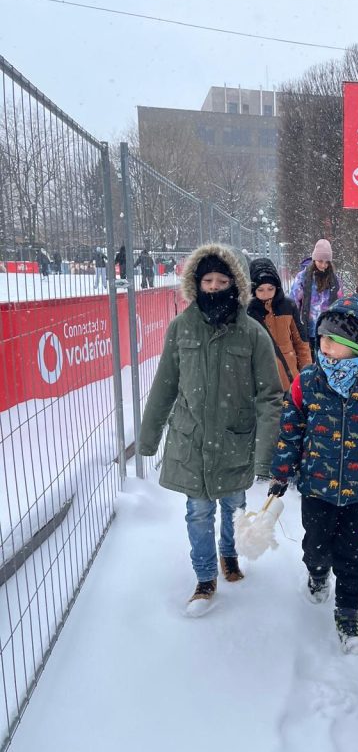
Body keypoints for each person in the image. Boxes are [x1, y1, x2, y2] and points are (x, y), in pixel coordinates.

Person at [138, 243, 283, 616]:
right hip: (193, 443)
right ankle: (204, 578)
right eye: (208, 281)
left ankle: (229, 554)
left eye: (222, 280)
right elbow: (165, 386)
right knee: (198, 512)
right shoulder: (181, 328)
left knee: (234, 505)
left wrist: (265, 454)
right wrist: (148, 438)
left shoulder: (252, 333)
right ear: (196, 283)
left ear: (235, 284)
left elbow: (270, 396)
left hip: (235, 441)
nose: (215, 287)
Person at [268, 294, 358, 653]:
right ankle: (317, 571)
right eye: (323, 337)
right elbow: (291, 429)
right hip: (317, 487)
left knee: (354, 555)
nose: (325, 346)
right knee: (316, 546)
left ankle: (348, 612)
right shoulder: (308, 381)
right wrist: (281, 472)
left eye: (334, 341)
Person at [247, 257, 311, 390]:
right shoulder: (247, 311)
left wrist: (306, 377)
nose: (266, 294)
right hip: (261, 385)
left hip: (289, 381)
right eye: (260, 290)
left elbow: (301, 344)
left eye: (270, 288)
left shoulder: (288, 306)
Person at [289, 239, 343, 347]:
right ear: (314, 259)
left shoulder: (335, 280)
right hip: (307, 328)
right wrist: (294, 325)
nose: (323, 265)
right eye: (320, 261)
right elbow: (294, 302)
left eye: (327, 262)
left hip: (328, 330)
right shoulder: (302, 277)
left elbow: (340, 304)